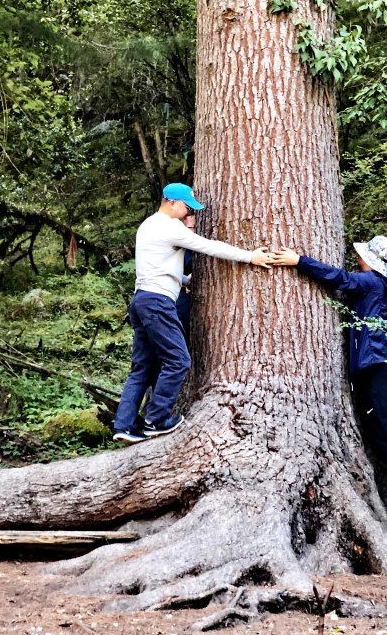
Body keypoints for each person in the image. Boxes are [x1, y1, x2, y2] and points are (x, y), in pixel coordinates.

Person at [271, 236, 387, 521]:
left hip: (379, 367)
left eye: (363, 256)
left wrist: (299, 261)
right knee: (382, 432)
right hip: (376, 367)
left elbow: (338, 278)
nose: (359, 259)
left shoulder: (371, 281)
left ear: (371, 260)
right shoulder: (375, 286)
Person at [113, 183, 274, 444]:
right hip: (158, 302)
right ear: (172, 202)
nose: (189, 213)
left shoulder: (148, 225)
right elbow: (208, 246)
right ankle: (156, 419)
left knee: (142, 367)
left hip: (142, 299)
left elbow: (160, 266)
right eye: (187, 207)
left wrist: (185, 282)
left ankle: (124, 425)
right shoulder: (170, 226)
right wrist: (249, 256)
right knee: (178, 360)